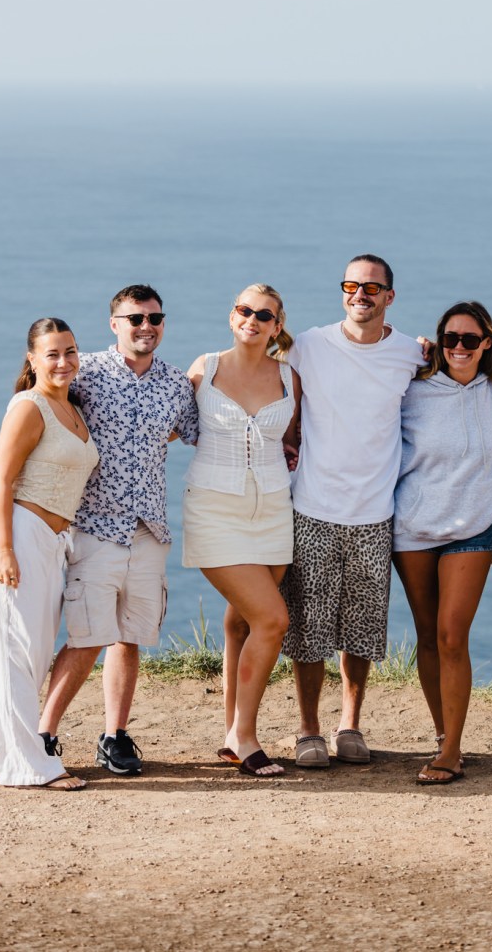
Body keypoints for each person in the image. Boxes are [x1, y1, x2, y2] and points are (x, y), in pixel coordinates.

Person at [37, 285, 199, 775]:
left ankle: (114, 736)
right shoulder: (83, 370)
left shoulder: (176, 385)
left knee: (129, 636)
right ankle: (42, 734)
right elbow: (40, 401)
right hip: (93, 524)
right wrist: (2, 453)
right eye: (135, 319)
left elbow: (194, 431)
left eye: (154, 318)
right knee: (87, 634)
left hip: (150, 529)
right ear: (115, 324)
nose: (145, 327)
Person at [281, 255, 426, 768]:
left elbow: (463, 367)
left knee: (362, 627)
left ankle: (350, 725)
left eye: (371, 287)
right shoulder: (309, 345)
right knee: (309, 625)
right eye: (350, 285)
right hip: (313, 505)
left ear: (390, 295)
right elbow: (264, 374)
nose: (359, 294)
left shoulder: (411, 353)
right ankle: (308, 730)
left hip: (375, 512)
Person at [0, 319, 99, 790]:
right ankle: (26, 766)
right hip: (17, 534)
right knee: (16, 652)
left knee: (30, 655)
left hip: (50, 542)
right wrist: (3, 550)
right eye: (52, 354)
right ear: (32, 359)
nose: (63, 362)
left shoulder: (72, 406)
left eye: (70, 351)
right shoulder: (29, 407)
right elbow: (3, 482)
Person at [390, 301, 492, 784]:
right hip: (413, 528)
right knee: (427, 634)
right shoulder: (414, 389)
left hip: (474, 526)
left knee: (451, 635)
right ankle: (444, 735)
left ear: (487, 343)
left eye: (469, 339)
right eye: (450, 339)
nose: (458, 348)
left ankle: (453, 751)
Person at [183, 284, 300, 778]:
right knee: (272, 621)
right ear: (232, 317)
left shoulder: (291, 377)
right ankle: (245, 735)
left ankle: (232, 730)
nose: (252, 318)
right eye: (244, 310)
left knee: (243, 623)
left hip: (274, 510)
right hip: (213, 510)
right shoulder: (203, 369)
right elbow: (154, 425)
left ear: (276, 326)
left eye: (264, 314)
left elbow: (294, 440)